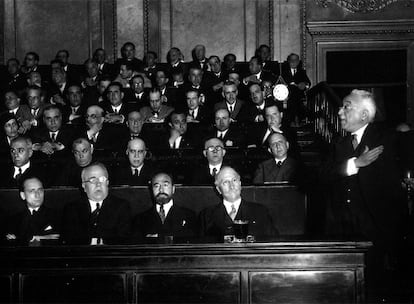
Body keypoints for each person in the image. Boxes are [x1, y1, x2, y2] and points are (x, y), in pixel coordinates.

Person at [321, 89, 407, 247]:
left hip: (376, 232)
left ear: (364, 115)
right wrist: (355, 164)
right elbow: (323, 175)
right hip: (341, 232)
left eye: (346, 107)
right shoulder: (338, 144)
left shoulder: (386, 139)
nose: (339, 111)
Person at [199, 166, 278, 241]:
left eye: (234, 180)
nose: (231, 186)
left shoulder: (260, 211)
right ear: (218, 189)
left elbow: (274, 242)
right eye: (226, 182)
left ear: (240, 184)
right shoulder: (207, 215)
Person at [61, 162, 132, 245]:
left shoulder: (122, 207)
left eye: (102, 179)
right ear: (84, 186)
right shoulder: (72, 209)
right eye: (93, 180)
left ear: (107, 183)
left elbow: (123, 241)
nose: (98, 184)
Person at [132, 172, 197, 242]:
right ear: (151, 190)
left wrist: (157, 236)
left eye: (165, 185)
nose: (161, 190)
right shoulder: (140, 219)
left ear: (173, 189)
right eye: (156, 186)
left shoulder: (189, 215)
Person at [4, 177, 60, 245]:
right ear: (23, 195)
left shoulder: (57, 215)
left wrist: (20, 239)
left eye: (40, 190)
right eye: (32, 191)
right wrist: (41, 237)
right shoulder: (13, 219)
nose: (37, 195)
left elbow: (57, 239)